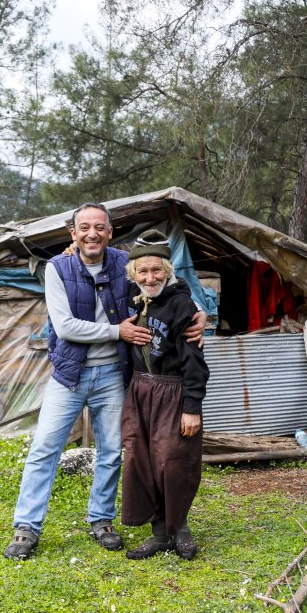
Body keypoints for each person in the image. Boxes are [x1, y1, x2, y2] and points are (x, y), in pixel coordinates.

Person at [4, 204, 204, 560]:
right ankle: (27, 526)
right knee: (45, 448)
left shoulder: (121, 262)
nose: (91, 233)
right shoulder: (57, 268)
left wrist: (197, 311)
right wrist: (118, 330)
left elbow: (163, 277)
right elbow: (63, 326)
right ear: (73, 233)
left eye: (99, 227)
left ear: (110, 232)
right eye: (84, 227)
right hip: (69, 374)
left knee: (112, 450)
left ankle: (101, 519)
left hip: (113, 372)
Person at [120, 230, 210, 561]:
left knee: (174, 462)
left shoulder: (181, 306)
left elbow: (195, 363)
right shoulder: (133, 297)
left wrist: (191, 407)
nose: (150, 277)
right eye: (142, 271)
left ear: (168, 270)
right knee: (141, 461)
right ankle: (159, 534)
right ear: (132, 274)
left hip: (172, 392)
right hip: (140, 390)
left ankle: (180, 528)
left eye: (157, 270)